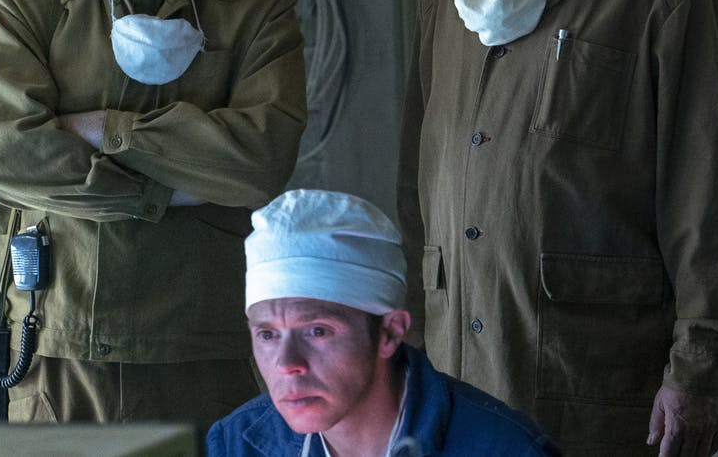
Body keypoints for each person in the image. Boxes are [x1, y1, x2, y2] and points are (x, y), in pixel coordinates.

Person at [396, 0, 718, 454]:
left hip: (593, 372)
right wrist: (406, 347)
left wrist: (700, 368)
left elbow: (704, 178)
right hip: (455, 375)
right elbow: (418, 179)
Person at [0, 0, 306, 431]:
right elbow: (1, 155)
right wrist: (165, 189)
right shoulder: (29, 3)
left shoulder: (256, 10)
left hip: (196, 347)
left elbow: (260, 162)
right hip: (57, 345)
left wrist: (103, 129)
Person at [207, 189, 561, 456]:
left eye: (317, 331)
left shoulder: (505, 449)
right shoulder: (235, 444)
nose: (287, 364)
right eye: (267, 335)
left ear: (390, 332)